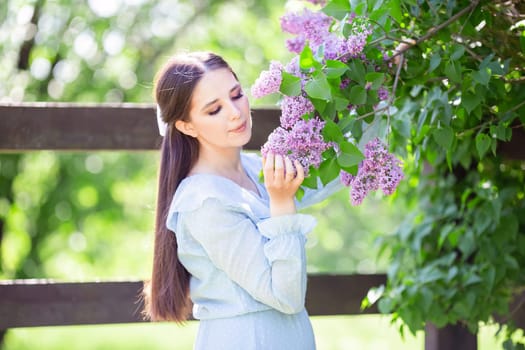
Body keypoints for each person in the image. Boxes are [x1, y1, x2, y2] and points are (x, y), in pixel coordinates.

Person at [143, 51, 342, 349]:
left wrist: (377, 95)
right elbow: (285, 297)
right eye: (214, 110)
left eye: (236, 95)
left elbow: (334, 174)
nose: (235, 112)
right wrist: (282, 204)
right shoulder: (205, 202)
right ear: (187, 126)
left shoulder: (253, 168)